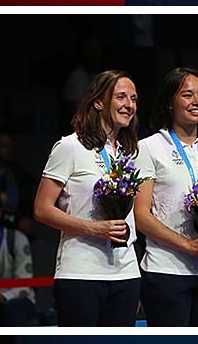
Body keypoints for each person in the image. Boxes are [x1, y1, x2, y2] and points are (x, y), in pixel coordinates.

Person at [33, 70, 142, 327]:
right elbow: (41, 209)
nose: (129, 105)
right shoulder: (69, 147)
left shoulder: (131, 152)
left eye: (134, 98)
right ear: (98, 102)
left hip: (126, 273)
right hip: (80, 272)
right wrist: (94, 228)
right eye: (121, 97)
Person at [135, 68, 198, 327]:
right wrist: (187, 245)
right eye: (187, 95)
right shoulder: (149, 147)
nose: (197, 102)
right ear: (169, 103)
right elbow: (141, 215)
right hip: (167, 270)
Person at [0, 187, 37, 325]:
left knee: (11, 310)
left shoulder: (16, 239)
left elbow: (24, 283)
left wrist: (2, 297)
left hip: (17, 299)